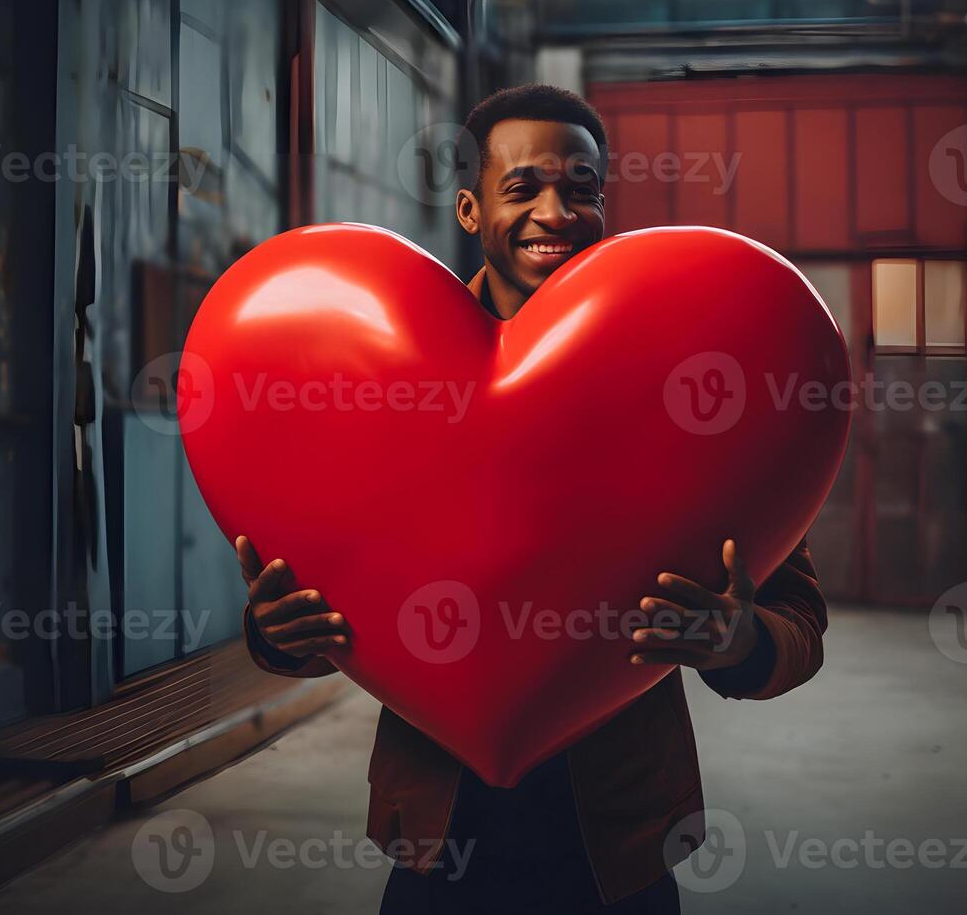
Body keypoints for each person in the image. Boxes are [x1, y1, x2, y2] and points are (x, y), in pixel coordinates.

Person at [235, 84, 826, 914]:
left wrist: (741, 645)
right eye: (523, 189)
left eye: (581, 190)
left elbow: (797, 620)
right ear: (473, 210)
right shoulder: (384, 385)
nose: (556, 211)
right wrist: (276, 634)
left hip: (617, 849)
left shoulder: (686, 370)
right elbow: (325, 580)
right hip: (440, 842)